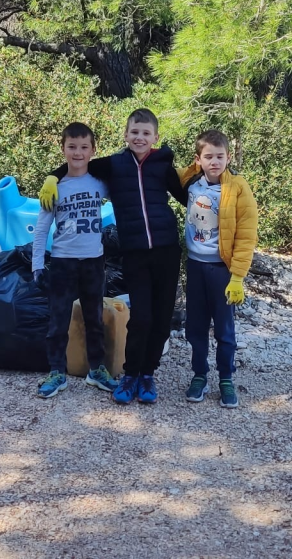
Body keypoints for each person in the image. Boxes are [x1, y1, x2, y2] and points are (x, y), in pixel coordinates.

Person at [40, 108, 186, 405]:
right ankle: (130, 374)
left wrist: (220, 186)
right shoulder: (114, 165)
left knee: (160, 320)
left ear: (156, 137)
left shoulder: (163, 164)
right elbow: (79, 164)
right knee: (141, 317)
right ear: (126, 135)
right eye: (134, 132)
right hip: (133, 252)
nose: (140, 137)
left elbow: (188, 196)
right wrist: (51, 177)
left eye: (146, 133)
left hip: (167, 250)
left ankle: (148, 374)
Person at [32, 122, 118, 398]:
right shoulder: (55, 187)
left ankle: (96, 369)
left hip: (93, 262)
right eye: (72, 147)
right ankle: (57, 371)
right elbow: (42, 228)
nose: (78, 153)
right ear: (63, 149)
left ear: (93, 150)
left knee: (94, 318)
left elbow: (124, 190)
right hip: (62, 263)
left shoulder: (99, 183)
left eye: (84, 147)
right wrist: (36, 265)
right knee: (58, 320)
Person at [178, 129, 258, 408]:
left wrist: (237, 276)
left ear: (228, 157)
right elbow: (163, 172)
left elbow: (247, 234)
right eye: (208, 156)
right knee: (196, 327)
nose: (215, 161)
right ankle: (200, 375)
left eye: (220, 156)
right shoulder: (190, 182)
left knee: (224, 329)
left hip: (222, 270)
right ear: (198, 160)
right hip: (195, 267)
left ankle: (226, 378)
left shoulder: (237, 187)